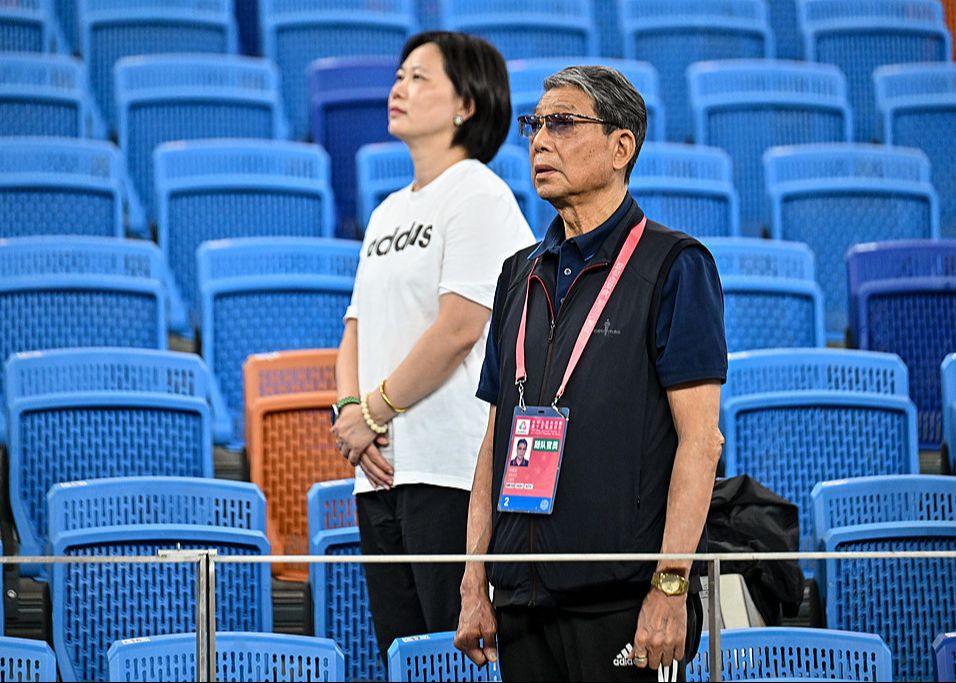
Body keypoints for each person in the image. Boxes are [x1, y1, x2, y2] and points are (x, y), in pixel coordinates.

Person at [454, 65, 727, 682]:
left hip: (625, 605)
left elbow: (700, 442)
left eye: (563, 123)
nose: (539, 140)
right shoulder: (518, 274)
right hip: (521, 600)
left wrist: (671, 588)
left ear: (621, 146)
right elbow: (494, 444)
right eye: (534, 125)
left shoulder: (675, 266)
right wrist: (476, 578)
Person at [331, 31, 535, 662]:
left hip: (451, 471)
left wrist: (372, 412)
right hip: (381, 475)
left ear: (466, 105)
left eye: (420, 77)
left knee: (461, 659)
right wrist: (349, 413)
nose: (399, 86)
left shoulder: (478, 192)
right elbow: (355, 327)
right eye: (399, 74)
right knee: (405, 657)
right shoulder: (390, 209)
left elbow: (459, 328)